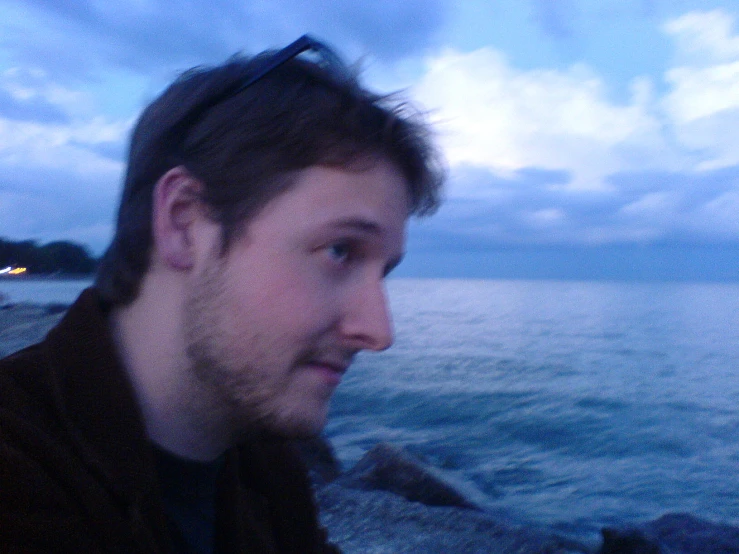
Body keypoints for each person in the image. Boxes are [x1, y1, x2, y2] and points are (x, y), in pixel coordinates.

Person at [0, 35, 443, 553]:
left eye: (383, 271)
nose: (378, 331)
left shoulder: (264, 463)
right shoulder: (19, 471)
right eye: (341, 252)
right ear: (184, 221)